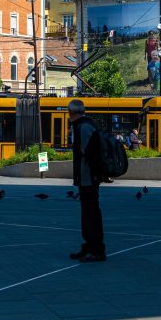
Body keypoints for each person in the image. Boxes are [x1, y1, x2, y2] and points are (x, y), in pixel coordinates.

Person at [69, 99, 106, 263]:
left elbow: (87, 153)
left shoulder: (83, 128)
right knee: (88, 214)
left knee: (91, 214)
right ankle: (89, 246)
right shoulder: (85, 125)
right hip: (87, 177)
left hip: (88, 178)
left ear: (72, 113)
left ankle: (96, 250)